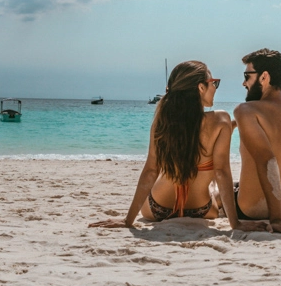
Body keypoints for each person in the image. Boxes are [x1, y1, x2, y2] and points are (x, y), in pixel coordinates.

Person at [89, 60, 263, 232]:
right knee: (215, 188)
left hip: (156, 209)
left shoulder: (163, 121)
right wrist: (236, 224)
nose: (215, 88)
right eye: (213, 83)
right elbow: (221, 171)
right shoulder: (221, 120)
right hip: (200, 210)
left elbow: (151, 170)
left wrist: (128, 220)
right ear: (201, 87)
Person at [233, 49, 281, 234]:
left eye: (247, 75)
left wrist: (276, 219)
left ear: (264, 77)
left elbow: (267, 160)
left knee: (217, 189)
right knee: (238, 184)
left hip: (252, 210)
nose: (244, 82)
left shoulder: (246, 110)